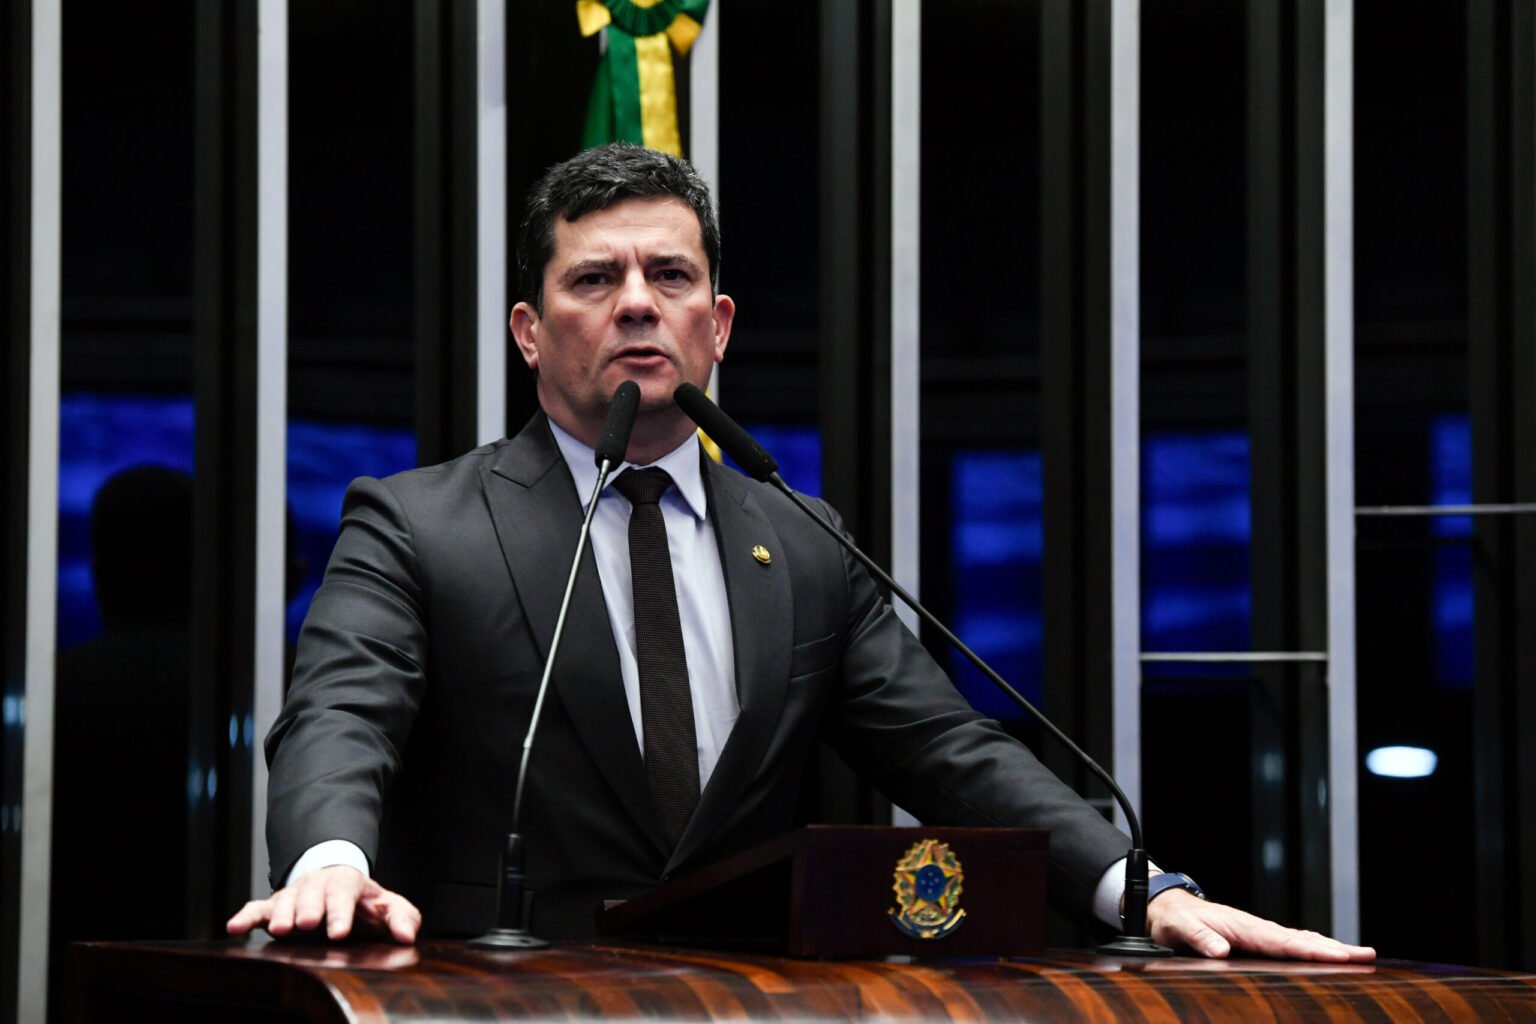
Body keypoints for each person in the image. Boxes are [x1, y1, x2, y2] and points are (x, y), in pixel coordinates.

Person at [229, 143, 1373, 962]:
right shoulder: (419, 522)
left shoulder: (802, 538)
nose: (638, 304)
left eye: (670, 277)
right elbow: (341, 713)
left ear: (716, 326)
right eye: (595, 279)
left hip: (752, 1006)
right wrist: (329, 857)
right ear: (531, 332)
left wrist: (1140, 888)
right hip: (497, 1003)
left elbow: (947, 751)